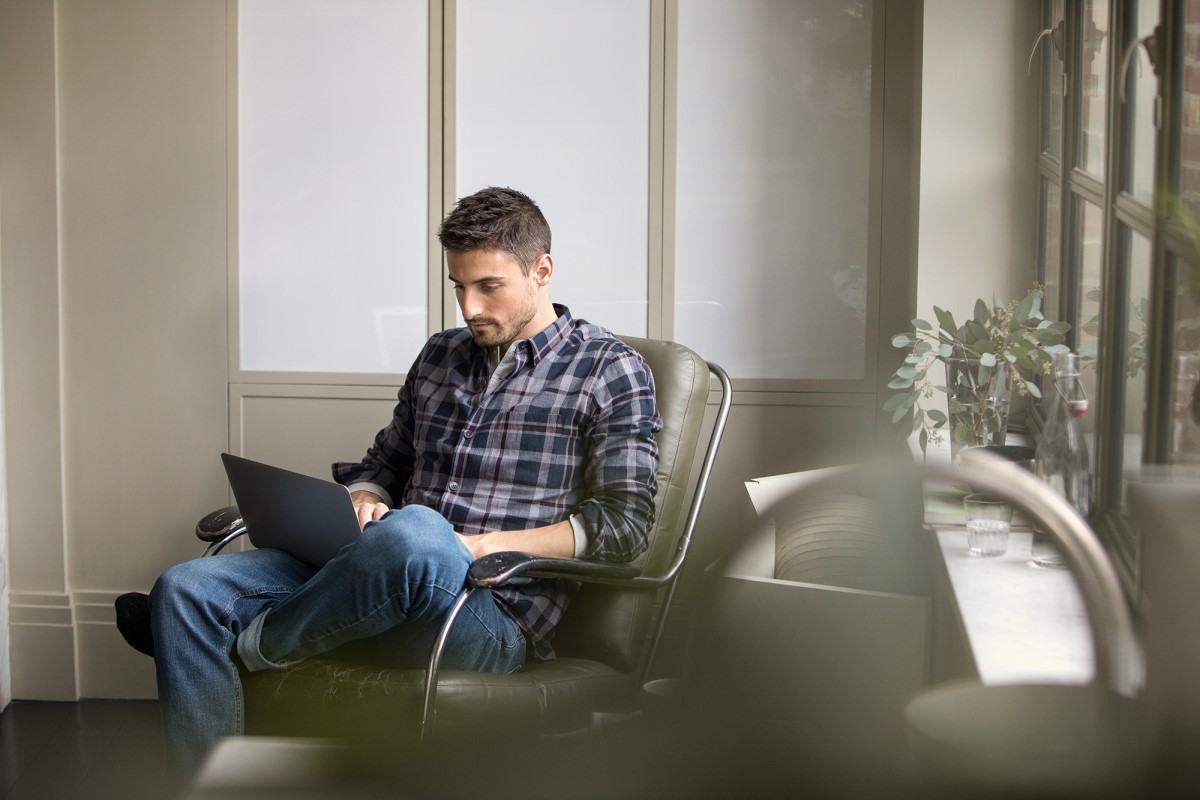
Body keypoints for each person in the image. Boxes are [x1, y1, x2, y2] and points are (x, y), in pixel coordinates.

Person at [120, 186, 662, 769]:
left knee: (418, 533)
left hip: (487, 613)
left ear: (542, 271)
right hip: (377, 576)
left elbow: (623, 527)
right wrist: (364, 498)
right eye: (458, 286)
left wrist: (474, 546)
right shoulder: (440, 356)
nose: (469, 308)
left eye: (488, 287)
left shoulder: (610, 370)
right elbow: (384, 465)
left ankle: (254, 646)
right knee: (184, 590)